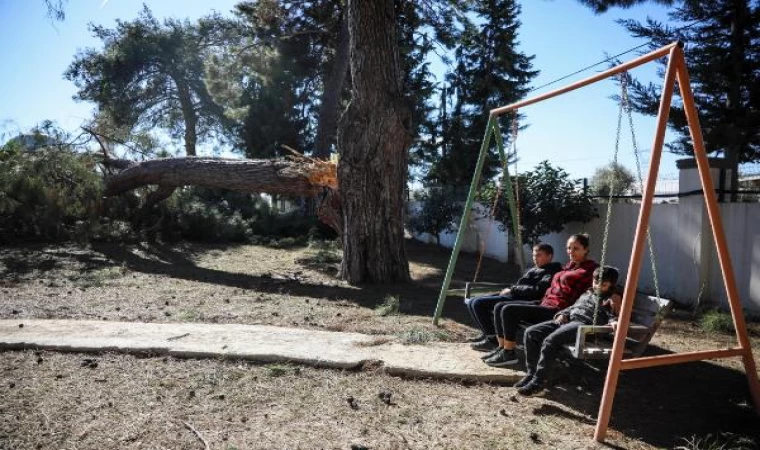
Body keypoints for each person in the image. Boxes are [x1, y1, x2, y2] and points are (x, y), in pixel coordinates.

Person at [484, 233, 599, 367]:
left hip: (558, 310)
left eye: (576, 248)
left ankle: (509, 353)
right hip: (544, 303)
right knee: (500, 306)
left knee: (508, 310)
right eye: (569, 248)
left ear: (586, 249)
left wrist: (567, 313)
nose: (571, 252)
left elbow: (590, 292)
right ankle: (502, 348)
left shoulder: (591, 270)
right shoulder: (568, 266)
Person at [515, 266, 621, 397]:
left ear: (611, 285)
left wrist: (614, 321)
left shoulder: (610, 299)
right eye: (596, 282)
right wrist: (563, 314)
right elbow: (573, 307)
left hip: (584, 327)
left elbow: (613, 315)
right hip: (569, 321)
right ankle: (532, 373)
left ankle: (539, 383)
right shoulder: (587, 293)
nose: (598, 286)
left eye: (603, 285)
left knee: (550, 341)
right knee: (531, 333)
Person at [467, 243, 562, 353]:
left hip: (524, 300)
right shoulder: (537, 269)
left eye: (539, 255)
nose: (535, 258)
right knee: (472, 301)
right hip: (514, 294)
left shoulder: (551, 271)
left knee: (478, 303)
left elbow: (537, 290)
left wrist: (513, 289)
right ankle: (487, 334)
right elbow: (521, 285)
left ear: (549, 256)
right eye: (533, 255)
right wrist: (509, 290)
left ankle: (492, 339)